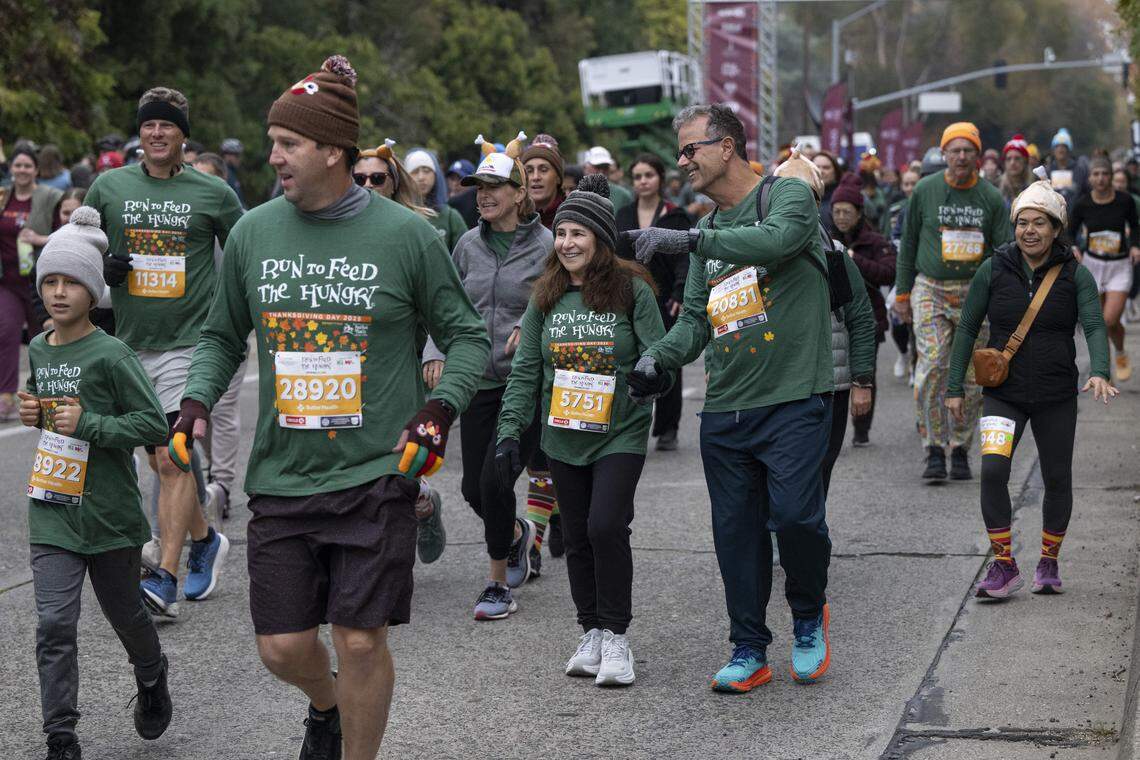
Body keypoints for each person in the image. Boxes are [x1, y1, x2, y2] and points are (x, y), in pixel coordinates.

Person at [177, 55, 489, 760]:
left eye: (287, 143)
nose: (273, 155)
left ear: (332, 151)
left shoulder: (409, 237)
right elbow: (222, 334)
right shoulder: (255, 233)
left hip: (376, 473)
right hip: (284, 475)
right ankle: (327, 705)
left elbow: (469, 338)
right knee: (284, 647)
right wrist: (195, 399)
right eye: (273, 140)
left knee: (358, 636)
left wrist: (438, 409)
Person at [626, 104, 835, 692]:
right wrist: (657, 359)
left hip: (795, 397)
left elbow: (778, 242)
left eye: (691, 148)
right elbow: (696, 320)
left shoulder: (786, 194)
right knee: (736, 534)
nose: (681, 160)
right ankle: (749, 649)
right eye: (680, 151)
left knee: (796, 519)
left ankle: (807, 613)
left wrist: (693, 239)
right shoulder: (707, 232)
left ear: (727, 147)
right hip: (726, 408)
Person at [495, 173, 667, 686]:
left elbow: (662, 354)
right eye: (562, 233)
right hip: (562, 435)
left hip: (620, 432)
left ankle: (617, 637)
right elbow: (527, 370)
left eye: (579, 234)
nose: (568, 243)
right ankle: (590, 630)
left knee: (605, 526)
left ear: (601, 239)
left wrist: (650, 377)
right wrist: (508, 432)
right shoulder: (544, 295)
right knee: (576, 537)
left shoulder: (633, 289)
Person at [19, 207, 173, 759]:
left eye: (71, 283)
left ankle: (152, 675)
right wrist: (34, 412)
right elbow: (48, 412)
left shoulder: (112, 354)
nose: (59, 293)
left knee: (127, 616)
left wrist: (90, 424)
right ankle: (61, 733)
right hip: (52, 508)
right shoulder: (39, 348)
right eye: (50, 282)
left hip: (108, 511)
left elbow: (154, 425)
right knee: (54, 622)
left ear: (92, 290)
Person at [83, 86, 242, 617]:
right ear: (140, 132)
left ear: (182, 135)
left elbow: (245, 251)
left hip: (189, 342)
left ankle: (165, 578)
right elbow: (78, 249)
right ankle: (206, 541)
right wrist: (100, 269)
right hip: (128, 345)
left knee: (174, 455)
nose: (156, 133)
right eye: (149, 125)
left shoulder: (213, 193)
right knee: (156, 458)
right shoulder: (108, 187)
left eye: (167, 126)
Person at [946, 172, 1115, 598]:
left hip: (1057, 395)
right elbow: (967, 328)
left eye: (1039, 223)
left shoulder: (1075, 275)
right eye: (1023, 222)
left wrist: (1100, 370)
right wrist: (952, 388)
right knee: (993, 472)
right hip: (1003, 395)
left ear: (1056, 229)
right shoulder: (993, 268)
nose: (1029, 231)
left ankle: (1048, 560)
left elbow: (1094, 325)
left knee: (1057, 478)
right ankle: (1003, 565)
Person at [422, 133, 550, 616]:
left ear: (520, 193)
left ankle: (497, 584)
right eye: (479, 186)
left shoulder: (545, 246)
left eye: (496, 186)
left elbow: (556, 303)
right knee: (472, 489)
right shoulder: (468, 245)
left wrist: (528, 323)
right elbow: (446, 306)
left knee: (497, 480)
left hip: (523, 386)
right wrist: (435, 349)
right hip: (475, 381)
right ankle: (518, 534)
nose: (485, 194)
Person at [894, 122, 1011, 482]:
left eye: (968, 150)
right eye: (954, 150)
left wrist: (1004, 301)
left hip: (975, 292)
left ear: (978, 156)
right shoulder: (926, 190)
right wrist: (902, 292)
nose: (961, 157)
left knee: (973, 374)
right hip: (930, 288)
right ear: (943, 154)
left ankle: (960, 447)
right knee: (933, 365)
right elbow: (908, 244)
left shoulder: (991, 198)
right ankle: (933, 447)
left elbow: (1004, 253)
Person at [615, 152, 691, 451]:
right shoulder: (622, 215)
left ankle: (668, 427)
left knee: (666, 361)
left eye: (649, 175)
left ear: (660, 178)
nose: (643, 181)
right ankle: (631, 424)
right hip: (627, 299)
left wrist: (681, 293)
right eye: (638, 176)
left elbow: (687, 257)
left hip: (666, 299)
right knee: (630, 362)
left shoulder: (675, 213)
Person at [190, 152, 247, 524]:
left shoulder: (234, 229)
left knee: (223, 408)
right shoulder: (184, 228)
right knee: (198, 410)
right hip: (186, 334)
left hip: (228, 330)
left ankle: (222, 485)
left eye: (207, 181)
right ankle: (210, 475)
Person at [828, 173, 897, 446]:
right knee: (835, 377)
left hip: (869, 318)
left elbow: (888, 274)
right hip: (833, 319)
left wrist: (854, 259)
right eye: (837, 212)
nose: (841, 217)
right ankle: (834, 431)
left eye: (847, 212)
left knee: (863, 372)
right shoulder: (824, 239)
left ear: (859, 213)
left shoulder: (875, 242)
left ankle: (861, 429)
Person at [0, 146, 61, 420]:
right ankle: (5, 396)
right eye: (18, 166)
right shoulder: (3, 196)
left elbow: (67, 232)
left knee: (45, 336)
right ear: (11, 168)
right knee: (6, 331)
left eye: (27, 166)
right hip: (7, 281)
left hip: (41, 281)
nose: (22, 171)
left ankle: (48, 393)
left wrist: (39, 239)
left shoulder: (50, 197)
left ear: (36, 169)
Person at [1069, 156, 1140, 382]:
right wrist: (1072, 247)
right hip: (1093, 264)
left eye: (1105, 174)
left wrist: (1136, 246)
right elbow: (1070, 231)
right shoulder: (1082, 203)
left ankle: (1118, 353)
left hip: (1119, 265)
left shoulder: (1125, 200)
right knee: (1101, 322)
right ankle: (1104, 370)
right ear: (1090, 178)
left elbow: (1135, 226)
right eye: (1096, 174)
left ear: (1111, 176)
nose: (1100, 179)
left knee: (1108, 320)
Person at [404, 146, 468, 251]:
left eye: (426, 171)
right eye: (415, 171)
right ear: (406, 177)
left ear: (435, 175)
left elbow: (465, 255)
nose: (421, 177)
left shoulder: (449, 217)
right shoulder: (399, 212)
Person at [523, 134, 566, 230]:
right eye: (529, 171)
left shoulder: (574, 217)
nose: (535, 177)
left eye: (543, 170)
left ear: (558, 177)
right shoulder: (512, 220)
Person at [584, 146, 633, 211]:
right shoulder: (576, 195)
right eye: (597, 167)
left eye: (605, 167)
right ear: (586, 168)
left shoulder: (622, 195)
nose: (601, 171)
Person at [1045, 128, 1088, 203]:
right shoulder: (1047, 171)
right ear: (1053, 150)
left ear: (1069, 149)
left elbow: (1085, 193)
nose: (1060, 149)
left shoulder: (1079, 171)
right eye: (1057, 146)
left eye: (1064, 146)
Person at [813, 150, 843, 232]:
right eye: (816, 167)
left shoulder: (843, 198)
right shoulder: (802, 197)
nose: (820, 171)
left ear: (836, 172)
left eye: (826, 167)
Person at [999, 134, 1032, 208]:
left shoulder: (1034, 188)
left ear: (1025, 161)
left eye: (1017, 158)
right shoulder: (996, 187)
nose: (1012, 163)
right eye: (1008, 159)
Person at [219, 138, 247, 208]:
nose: (239, 159)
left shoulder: (231, 173)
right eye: (237, 156)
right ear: (227, 156)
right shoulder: (224, 174)